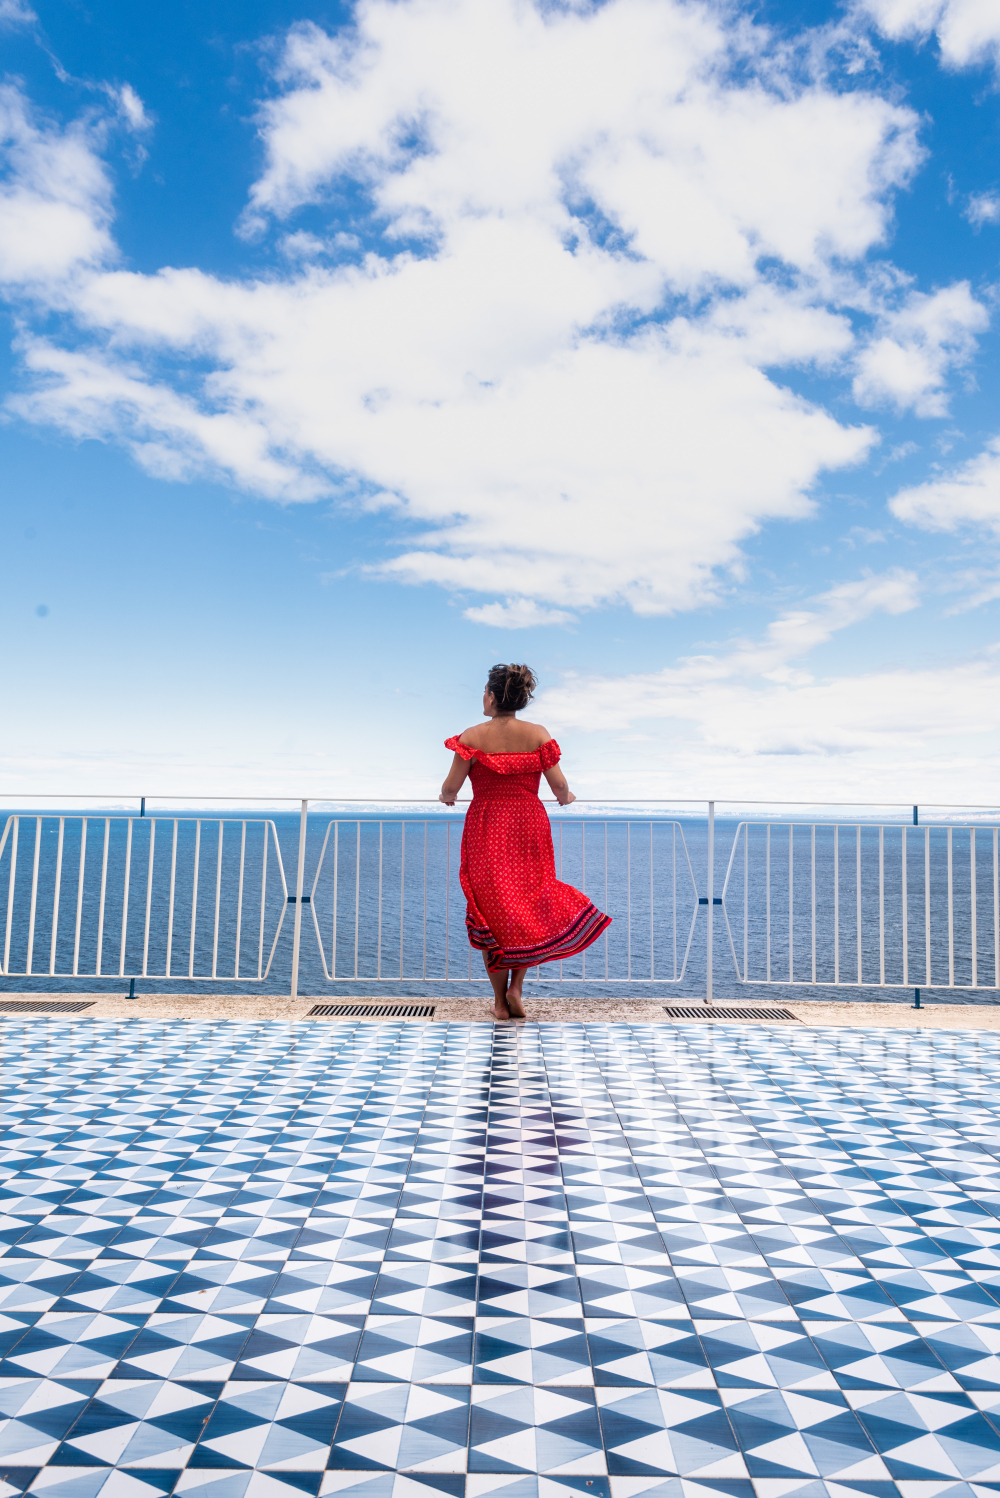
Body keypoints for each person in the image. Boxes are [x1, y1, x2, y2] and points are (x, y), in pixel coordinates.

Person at [440, 662, 611, 1020]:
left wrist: (447, 796)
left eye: (484, 693)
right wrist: (565, 797)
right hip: (527, 825)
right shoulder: (537, 735)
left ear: (491, 696)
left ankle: (500, 1003)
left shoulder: (471, 738)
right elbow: (559, 786)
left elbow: (451, 787)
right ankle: (516, 988)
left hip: (487, 827)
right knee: (525, 904)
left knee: (490, 910)